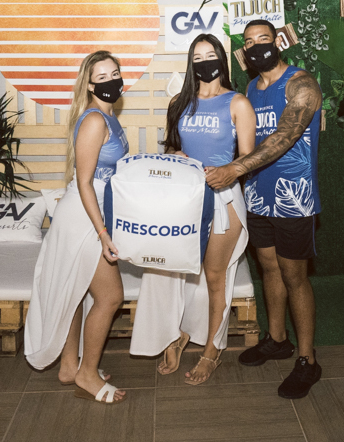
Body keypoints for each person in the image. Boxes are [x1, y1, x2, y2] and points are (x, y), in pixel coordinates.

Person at [205, 19, 323, 400]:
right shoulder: (251, 89)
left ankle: (307, 360)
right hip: (257, 194)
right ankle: (277, 339)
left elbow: (285, 136)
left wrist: (234, 169)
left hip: (294, 197)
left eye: (264, 39)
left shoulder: (301, 84)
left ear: (278, 42)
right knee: (268, 268)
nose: (257, 46)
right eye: (250, 42)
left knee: (294, 276)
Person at [131, 34, 256, 385]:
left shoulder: (238, 102)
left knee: (215, 278)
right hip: (183, 200)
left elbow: (249, 158)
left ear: (221, 59)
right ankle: (177, 335)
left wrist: (227, 169)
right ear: (191, 64)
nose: (205, 63)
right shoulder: (179, 103)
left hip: (223, 199)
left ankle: (212, 351)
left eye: (210, 55)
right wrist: (175, 155)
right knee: (174, 272)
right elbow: (171, 147)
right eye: (197, 58)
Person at [24, 51, 128, 405]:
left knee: (77, 291)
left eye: (115, 73)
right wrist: (102, 233)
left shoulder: (109, 116)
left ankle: (70, 367)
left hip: (94, 211)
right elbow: (84, 182)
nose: (111, 80)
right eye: (102, 77)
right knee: (111, 297)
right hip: (83, 216)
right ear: (90, 85)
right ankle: (86, 373)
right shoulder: (95, 120)